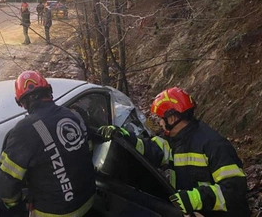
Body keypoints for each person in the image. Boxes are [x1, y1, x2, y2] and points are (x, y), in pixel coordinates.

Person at [98, 87, 251, 217]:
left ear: (171, 118)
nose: (160, 122)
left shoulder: (213, 145)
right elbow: (152, 149)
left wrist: (195, 198)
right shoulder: (174, 139)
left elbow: (235, 189)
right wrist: (125, 137)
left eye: (161, 118)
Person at [0, 70, 96, 216]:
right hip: (88, 201)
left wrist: (15, 204)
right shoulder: (73, 115)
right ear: (49, 92)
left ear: (22, 103)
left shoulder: (25, 130)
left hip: (54, 212)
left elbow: (7, 182)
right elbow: (87, 151)